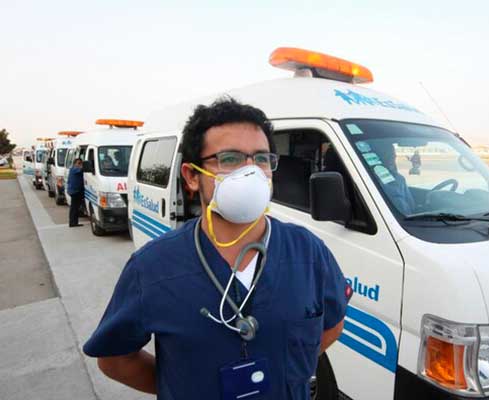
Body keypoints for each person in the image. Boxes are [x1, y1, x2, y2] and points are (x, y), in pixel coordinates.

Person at [83, 98, 350, 400]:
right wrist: (182, 388)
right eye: (230, 159)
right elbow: (115, 360)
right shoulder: (152, 267)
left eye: (262, 159)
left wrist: (289, 375)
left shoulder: (308, 252)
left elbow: (332, 326)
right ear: (192, 176)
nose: (251, 172)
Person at [371, 141, 416, 215]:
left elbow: (412, 206)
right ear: (378, 157)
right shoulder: (370, 180)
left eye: (393, 155)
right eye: (387, 155)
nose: (392, 158)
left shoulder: (399, 178)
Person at [67, 158, 84, 227]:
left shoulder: (73, 169)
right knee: (74, 208)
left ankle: (74, 222)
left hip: (75, 191)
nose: (80, 165)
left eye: (81, 163)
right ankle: (72, 223)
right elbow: (81, 169)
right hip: (74, 191)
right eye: (78, 163)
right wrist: (83, 166)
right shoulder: (74, 169)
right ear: (74, 164)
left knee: (75, 208)